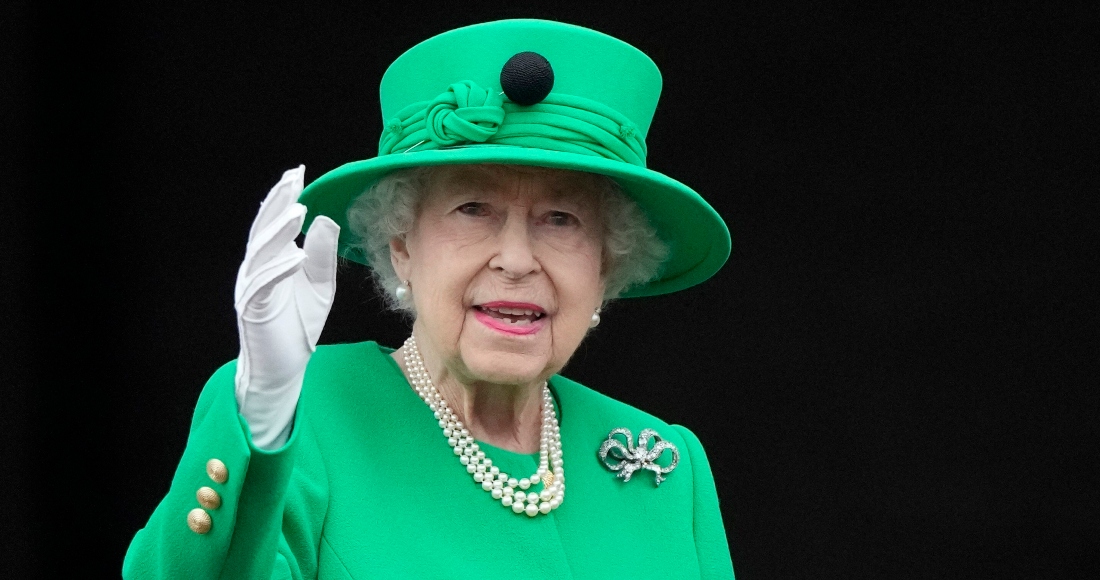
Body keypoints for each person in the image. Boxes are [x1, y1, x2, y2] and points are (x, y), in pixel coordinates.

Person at [123, 18, 735, 579]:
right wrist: (261, 422)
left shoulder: (665, 466)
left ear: (606, 266)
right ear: (401, 247)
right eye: (473, 209)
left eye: (561, 218)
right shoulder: (302, 419)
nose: (517, 259)